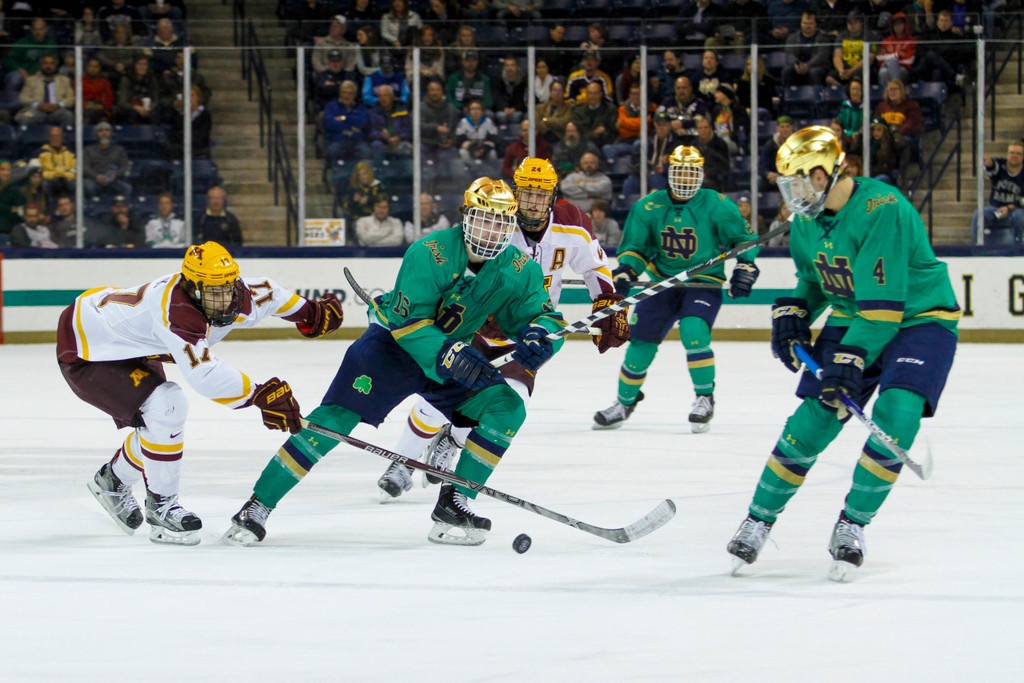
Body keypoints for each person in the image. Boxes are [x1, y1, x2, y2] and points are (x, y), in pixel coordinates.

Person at [222, 177, 568, 547]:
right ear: (466, 216)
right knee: (333, 421)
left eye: (500, 223)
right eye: (484, 219)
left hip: (451, 360)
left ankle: (454, 502)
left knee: (506, 407)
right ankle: (258, 505)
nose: (491, 230)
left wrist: (542, 337)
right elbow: (409, 322)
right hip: (391, 349)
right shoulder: (430, 252)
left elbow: (545, 316)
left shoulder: (520, 268)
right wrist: (449, 352)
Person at [726, 125, 959, 580]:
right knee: (813, 419)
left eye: (796, 183)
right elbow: (816, 280)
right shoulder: (807, 220)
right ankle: (758, 519)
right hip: (856, 315)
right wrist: (795, 310)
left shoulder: (882, 209)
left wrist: (848, 359)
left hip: (919, 319)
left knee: (898, 413)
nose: (791, 196)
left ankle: (853, 524)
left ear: (821, 175)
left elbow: (885, 308)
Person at [59, 242, 344, 545]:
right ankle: (162, 507)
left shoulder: (244, 293)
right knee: (166, 406)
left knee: (160, 421)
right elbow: (204, 374)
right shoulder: (176, 311)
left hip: (130, 342)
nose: (224, 300)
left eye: (228, 288)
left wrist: (312, 313)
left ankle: (113, 480)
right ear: (192, 288)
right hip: (88, 347)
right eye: (213, 292)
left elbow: (272, 294)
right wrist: (259, 395)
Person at [376, 158, 627, 500]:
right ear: (515, 192)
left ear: (553, 196)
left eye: (541, 195)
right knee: (443, 395)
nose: (533, 202)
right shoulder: (495, 219)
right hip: (476, 326)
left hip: (530, 330)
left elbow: (595, 267)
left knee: (509, 400)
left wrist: (607, 304)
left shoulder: (573, 223)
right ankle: (403, 461)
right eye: (527, 193)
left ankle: (452, 441)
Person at [594, 146, 760, 433]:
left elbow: (743, 239)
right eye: (680, 172)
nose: (685, 179)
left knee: (694, 332)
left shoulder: (717, 204)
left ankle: (704, 397)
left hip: (702, 282)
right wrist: (627, 270)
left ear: (701, 175)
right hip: (662, 282)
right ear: (669, 173)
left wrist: (746, 265)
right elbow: (635, 247)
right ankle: (624, 402)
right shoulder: (648, 206)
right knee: (640, 344)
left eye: (691, 173)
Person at [971, 140, 1024, 245]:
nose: (1014, 156)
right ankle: (977, 248)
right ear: (1007, 154)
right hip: (997, 212)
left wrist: (1008, 208)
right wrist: (988, 162)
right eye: (1012, 153)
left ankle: (1019, 248)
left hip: (1015, 211)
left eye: (1019, 153)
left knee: (1019, 217)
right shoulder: (1001, 165)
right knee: (979, 215)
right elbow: (993, 167)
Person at [15, 54, 74, 126]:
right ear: (40, 66)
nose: (48, 66)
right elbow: (23, 98)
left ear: (56, 66)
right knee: (25, 118)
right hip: (37, 110)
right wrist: (38, 105)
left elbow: (71, 99)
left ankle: (62, 133)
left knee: (68, 115)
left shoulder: (64, 80)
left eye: (52, 63)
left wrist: (58, 105)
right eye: (45, 63)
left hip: (57, 110)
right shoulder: (31, 80)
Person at [323, 80, 372, 164]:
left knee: (366, 152)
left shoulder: (361, 107)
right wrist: (352, 127)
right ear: (339, 93)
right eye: (344, 92)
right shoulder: (331, 106)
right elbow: (330, 124)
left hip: (357, 141)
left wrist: (344, 118)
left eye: (350, 93)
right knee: (332, 151)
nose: (346, 96)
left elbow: (363, 123)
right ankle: (336, 172)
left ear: (355, 95)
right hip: (338, 140)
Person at [3, 17, 58, 93]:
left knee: (49, 77)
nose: (38, 32)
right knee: (14, 78)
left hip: (41, 74)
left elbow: (54, 61)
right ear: (31, 30)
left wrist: (42, 70)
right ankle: (11, 100)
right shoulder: (22, 42)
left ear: (46, 29)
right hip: (22, 74)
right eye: (35, 29)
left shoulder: (51, 43)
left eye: (41, 29)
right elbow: (9, 61)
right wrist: (20, 69)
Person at [83, 121, 132, 200]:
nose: (104, 133)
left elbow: (125, 167)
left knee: (127, 188)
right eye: (100, 130)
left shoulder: (119, 150)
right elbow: (85, 167)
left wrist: (115, 175)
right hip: (93, 180)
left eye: (107, 130)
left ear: (111, 133)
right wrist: (96, 176)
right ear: (96, 134)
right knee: (88, 186)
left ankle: (121, 206)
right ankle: (89, 205)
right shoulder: (88, 150)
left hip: (113, 180)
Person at [782, 10, 832, 87]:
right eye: (805, 23)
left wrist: (808, 65)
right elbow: (790, 54)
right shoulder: (792, 37)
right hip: (797, 66)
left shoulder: (823, 38)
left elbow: (822, 56)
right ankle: (787, 93)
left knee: (814, 72)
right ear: (801, 23)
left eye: (810, 23)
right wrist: (797, 64)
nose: (807, 26)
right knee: (787, 70)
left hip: (817, 66)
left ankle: (817, 93)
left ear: (815, 24)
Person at [569, 81, 619, 148]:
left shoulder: (610, 109)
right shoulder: (578, 110)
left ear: (601, 94)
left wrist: (603, 131)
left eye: (596, 93)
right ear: (587, 94)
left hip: (604, 143)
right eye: (590, 93)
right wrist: (593, 133)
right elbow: (576, 129)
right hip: (583, 144)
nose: (593, 96)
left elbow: (613, 130)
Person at [455, 98, 499, 165]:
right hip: (469, 148)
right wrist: (473, 149)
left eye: (478, 109)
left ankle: (491, 170)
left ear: (482, 112)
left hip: (484, 147)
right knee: (462, 152)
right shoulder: (463, 122)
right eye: (473, 109)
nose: (475, 112)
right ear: (469, 112)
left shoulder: (488, 122)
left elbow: (493, 139)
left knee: (493, 153)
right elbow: (460, 140)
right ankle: (468, 169)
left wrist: (483, 149)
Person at [875, 12, 916, 84]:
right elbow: (879, 59)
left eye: (900, 23)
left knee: (890, 69)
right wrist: (897, 55)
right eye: (895, 24)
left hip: (904, 69)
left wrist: (890, 58)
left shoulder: (911, 41)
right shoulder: (886, 41)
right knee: (883, 72)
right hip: (886, 67)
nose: (897, 26)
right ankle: (890, 89)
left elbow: (910, 60)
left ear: (905, 24)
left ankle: (896, 87)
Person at [36, 126, 76, 199]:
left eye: (57, 136)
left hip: (67, 180)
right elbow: (38, 170)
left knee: (78, 185)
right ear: (48, 138)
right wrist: (53, 175)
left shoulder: (70, 154)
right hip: (49, 180)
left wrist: (66, 176)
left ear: (62, 138)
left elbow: (74, 170)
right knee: (44, 185)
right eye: (52, 136)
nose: (54, 138)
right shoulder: (40, 153)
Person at [759, 115, 796, 193]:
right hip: (774, 179)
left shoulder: (798, 144)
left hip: (793, 178)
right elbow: (762, 164)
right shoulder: (770, 145)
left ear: (792, 128)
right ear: (777, 128)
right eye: (782, 127)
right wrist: (768, 174)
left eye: (787, 126)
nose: (785, 129)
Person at [536, 78, 574, 145]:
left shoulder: (569, 107)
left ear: (564, 93)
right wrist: (553, 125)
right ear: (550, 92)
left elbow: (564, 123)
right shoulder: (541, 107)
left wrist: (546, 120)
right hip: (542, 139)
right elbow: (538, 124)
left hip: (560, 140)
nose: (557, 93)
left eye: (560, 90)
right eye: (555, 90)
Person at [493, 56, 527, 126]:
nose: (510, 68)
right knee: (501, 116)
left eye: (512, 65)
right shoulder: (498, 81)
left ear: (517, 67)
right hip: (502, 110)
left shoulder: (523, 82)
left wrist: (515, 109)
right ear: (504, 68)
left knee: (516, 116)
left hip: (518, 110)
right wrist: (504, 108)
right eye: (507, 65)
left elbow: (523, 100)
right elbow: (497, 98)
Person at [82, 57, 115, 124]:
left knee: (103, 119)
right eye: (90, 66)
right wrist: (85, 105)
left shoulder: (105, 82)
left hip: (100, 108)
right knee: (86, 117)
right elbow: (74, 98)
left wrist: (103, 106)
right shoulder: (79, 82)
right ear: (86, 67)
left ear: (99, 68)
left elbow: (109, 99)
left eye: (96, 67)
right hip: (84, 109)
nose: (93, 69)